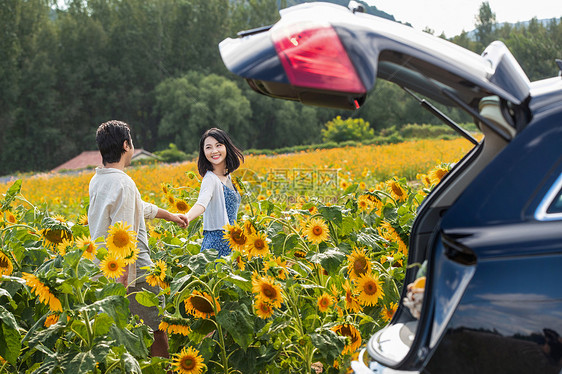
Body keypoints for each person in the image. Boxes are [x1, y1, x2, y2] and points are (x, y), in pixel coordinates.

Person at [88, 120, 188, 358]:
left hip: (105, 267)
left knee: (125, 334)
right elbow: (123, 235)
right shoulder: (124, 182)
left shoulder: (99, 180)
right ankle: (161, 369)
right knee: (157, 328)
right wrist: (121, 280)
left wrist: (170, 216)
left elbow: (137, 207)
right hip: (134, 272)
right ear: (126, 145)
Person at [185, 128, 244, 257]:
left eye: (218, 145)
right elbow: (202, 203)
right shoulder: (210, 179)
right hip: (216, 245)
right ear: (204, 152)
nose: (214, 151)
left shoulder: (228, 177)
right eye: (208, 147)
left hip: (231, 242)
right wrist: (187, 217)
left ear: (226, 147)